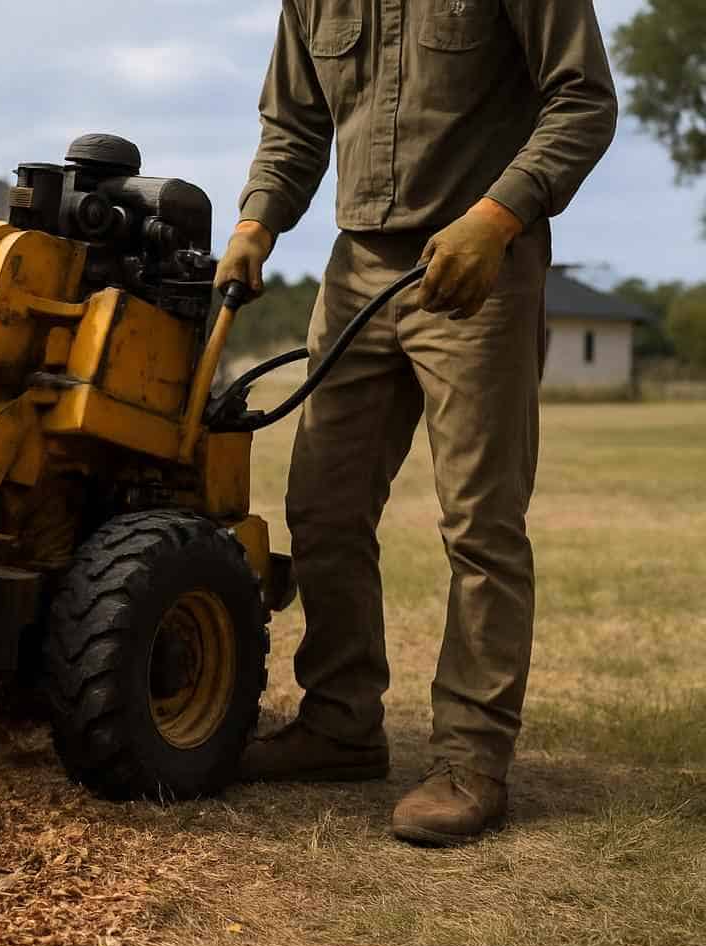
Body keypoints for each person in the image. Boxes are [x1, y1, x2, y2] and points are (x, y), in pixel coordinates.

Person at [217, 0, 617, 845]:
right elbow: (293, 125)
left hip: (480, 267)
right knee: (323, 509)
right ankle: (340, 726)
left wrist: (497, 216)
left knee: (481, 523)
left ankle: (472, 759)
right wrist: (255, 222)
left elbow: (584, 101)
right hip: (356, 270)